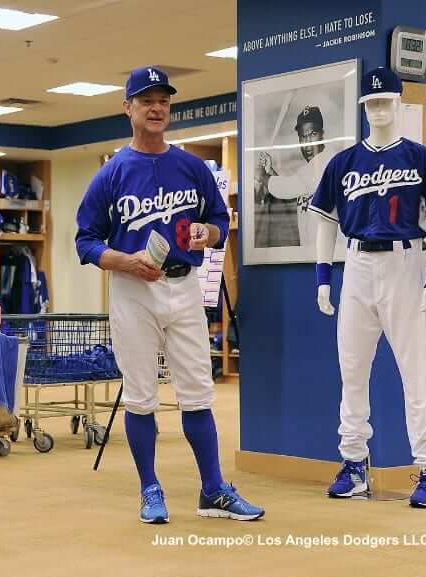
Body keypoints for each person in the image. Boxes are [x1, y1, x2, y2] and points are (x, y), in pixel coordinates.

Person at [75, 66, 264, 524]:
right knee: (141, 395)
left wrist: (208, 232)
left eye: (163, 100)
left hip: (184, 286)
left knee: (198, 392)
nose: (157, 108)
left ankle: (213, 490)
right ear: (128, 108)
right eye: (146, 100)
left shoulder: (192, 166)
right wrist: (124, 260)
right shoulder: (112, 172)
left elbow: (221, 221)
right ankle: (150, 489)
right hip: (133, 290)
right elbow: (85, 241)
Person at [309, 67, 426, 508]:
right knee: (352, 371)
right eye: (371, 103)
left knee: (416, 375)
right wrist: (322, 276)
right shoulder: (344, 162)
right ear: (363, 107)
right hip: (356, 263)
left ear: (398, 102)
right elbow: (325, 222)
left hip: (405, 261)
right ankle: (354, 464)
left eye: (385, 101)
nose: (378, 108)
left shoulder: (420, 157)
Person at [255, 105, 334, 246]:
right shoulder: (310, 170)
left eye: (313, 134)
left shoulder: (326, 161)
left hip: (330, 254)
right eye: (303, 136)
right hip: (313, 252)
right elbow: (294, 195)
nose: (308, 142)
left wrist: (263, 176)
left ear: (323, 134)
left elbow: (290, 187)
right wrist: (271, 172)